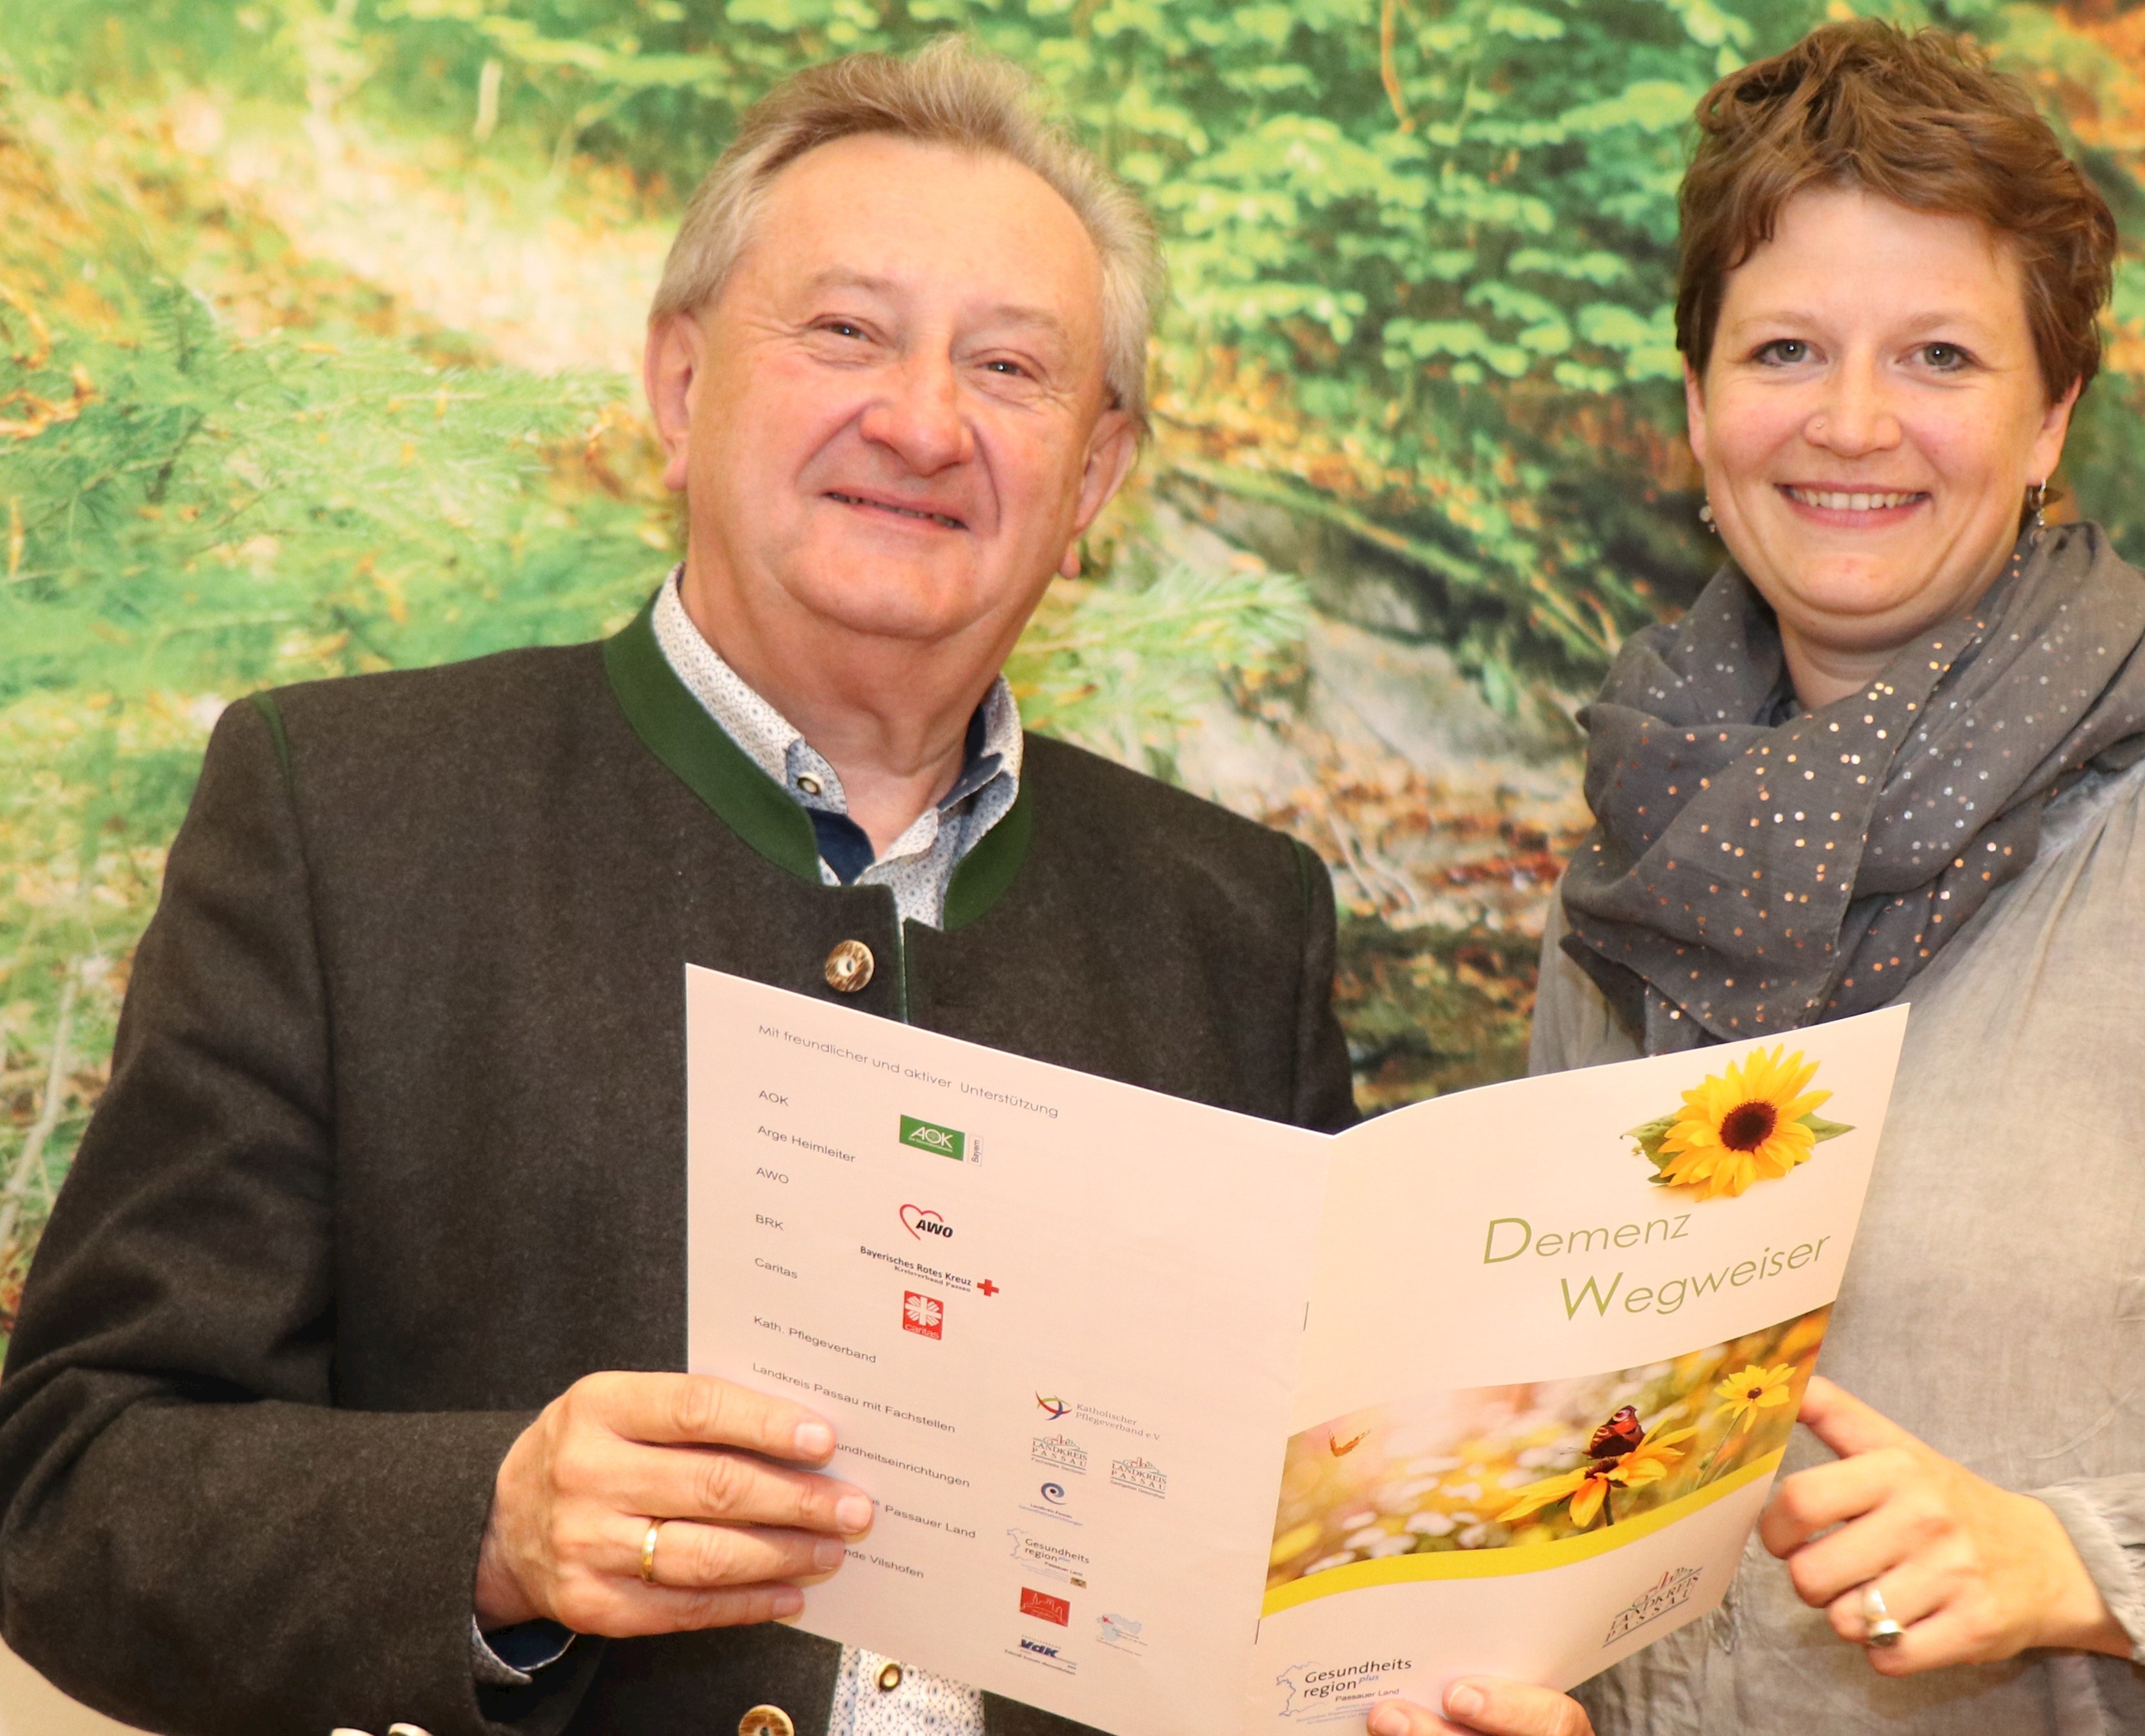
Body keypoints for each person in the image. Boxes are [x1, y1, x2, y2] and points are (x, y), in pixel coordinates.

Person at [0, 38, 1352, 1736]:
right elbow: (76, 1486)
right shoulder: (344, 813)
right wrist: (486, 1527)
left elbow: (1289, 1570)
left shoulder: (1239, 923)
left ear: (1091, 480)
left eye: (1010, 367)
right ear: (681, 381)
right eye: (847, 330)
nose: (922, 420)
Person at [1367, 20, 2145, 1736]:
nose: (1854, 422)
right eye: (1787, 346)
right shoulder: (1622, 896)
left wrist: (2080, 1565)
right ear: (1701, 411)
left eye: (1942, 355)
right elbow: (1602, 1499)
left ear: (2052, 423)